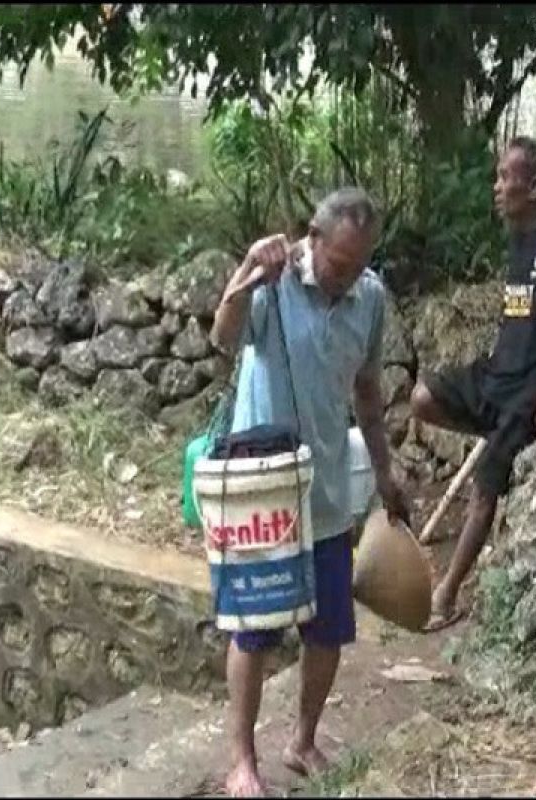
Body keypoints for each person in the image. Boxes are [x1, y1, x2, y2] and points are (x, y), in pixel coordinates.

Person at [209, 187, 411, 797]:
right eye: (336, 263)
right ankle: (242, 760)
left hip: (324, 489)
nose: (345, 276)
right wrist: (245, 272)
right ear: (311, 240)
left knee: (327, 628)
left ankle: (301, 741)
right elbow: (223, 337)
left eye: (358, 265)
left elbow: (368, 395)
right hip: (261, 490)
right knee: (253, 627)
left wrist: (383, 474)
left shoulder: (367, 298)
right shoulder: (273, 280)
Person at [410, 136, 536, 632]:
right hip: (495, 373)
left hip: (528, 390)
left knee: (483, 487)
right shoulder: (517, 237)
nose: (497, 187)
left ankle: (446, 595)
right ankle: (500, 444)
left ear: (532, 185)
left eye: (505, 177)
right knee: (422, 398)